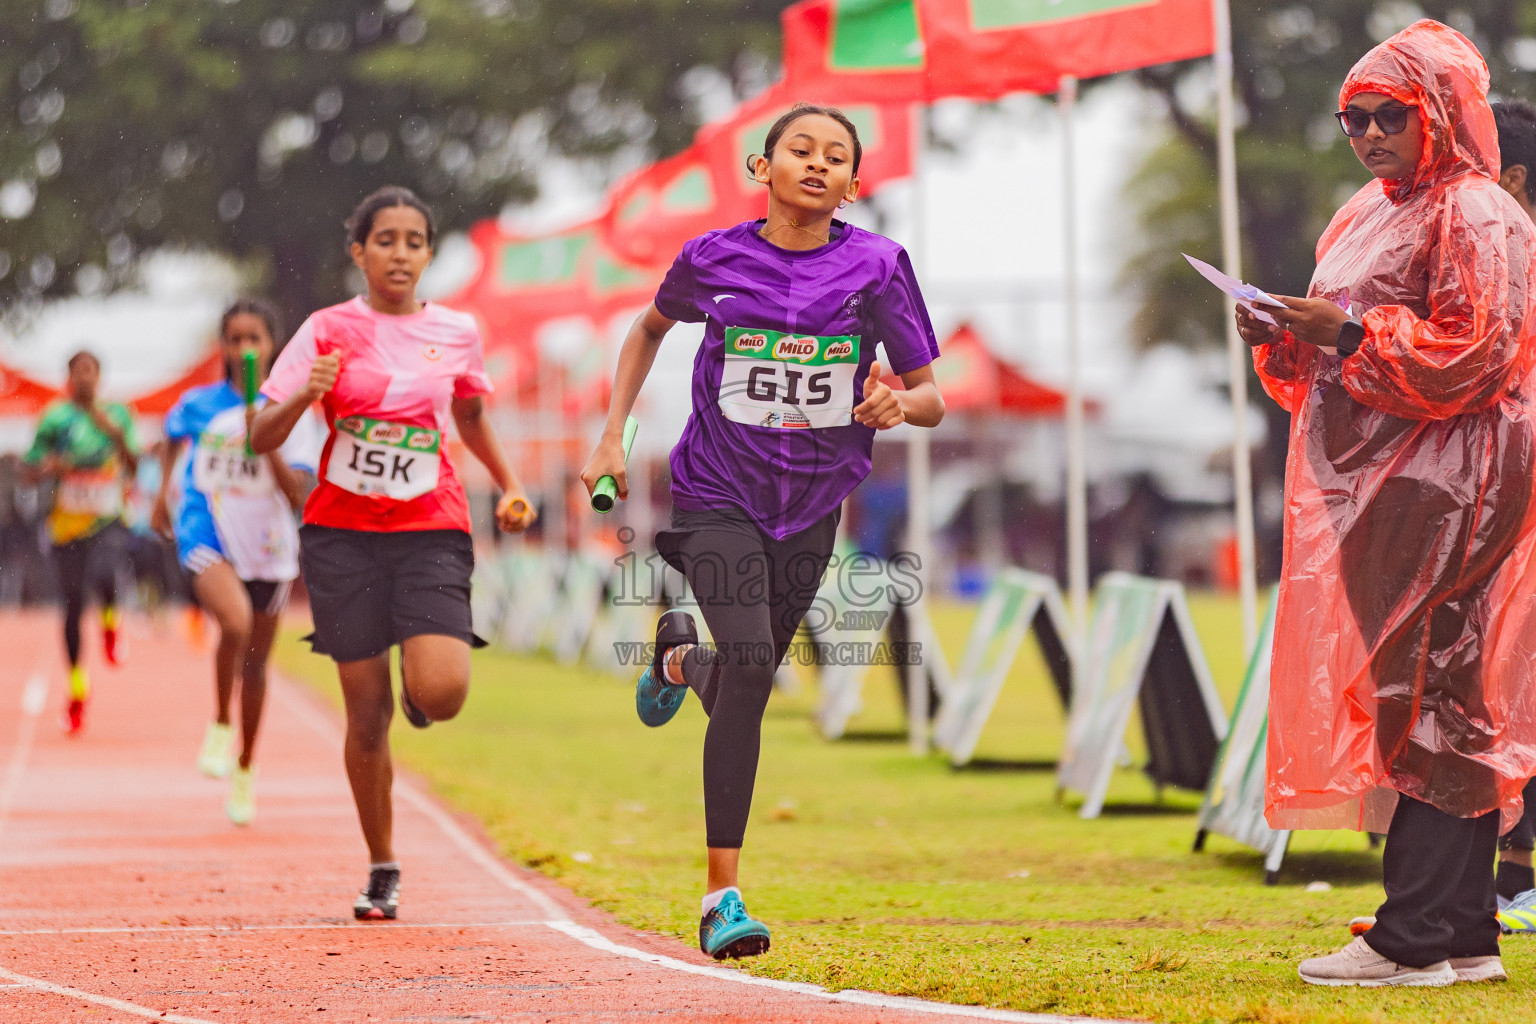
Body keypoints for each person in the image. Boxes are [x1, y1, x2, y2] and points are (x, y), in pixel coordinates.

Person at [580, 103, 944, 961]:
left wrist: (898, 402)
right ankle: (721, 896)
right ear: (763, 166)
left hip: (813, 504)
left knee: (747, 680)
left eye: (836, 158)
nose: (817, 165)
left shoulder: (879, 267)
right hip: (714, 493)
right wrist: (612, 432)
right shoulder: (713, 259)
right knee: (749, 666)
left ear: (854, 183)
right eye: (800, 150)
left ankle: (677, 658)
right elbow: (647, 332)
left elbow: (930, 395)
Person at [1238, 20, 1536, 987]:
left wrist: (1353, 331)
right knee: (1428, 702)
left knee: (1441, 700)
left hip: (1456, 491)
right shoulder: (1365, 211)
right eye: (1350, 118)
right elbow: (1330, 359)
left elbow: (1476, 354)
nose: (1366, 133)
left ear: (1442, 112)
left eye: (1387, 114)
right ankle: (1457, 932)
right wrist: (1287, 331)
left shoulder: (1479, 212)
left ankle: (1414, 936)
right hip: (1378, 494)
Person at [251, 186, 535, 920]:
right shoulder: (326, 329)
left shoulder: (458, 333)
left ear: (429, 253)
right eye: (385, 240)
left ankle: (422, 683)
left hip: (431, 526)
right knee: (365, 711)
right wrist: (301, 396)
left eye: (414, 240)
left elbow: (469, 414)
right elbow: (262, 436)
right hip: (343, 534)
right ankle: (382, 864)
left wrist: (507, 483)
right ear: (360, 252)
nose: (400, 253)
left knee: (441, 693)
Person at [152, 299, 323, 825]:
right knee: (235, 622)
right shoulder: (199, 403)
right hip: (208, 529)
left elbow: (297, 492)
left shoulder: (294, 408)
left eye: (255, 339)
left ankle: (245, 767)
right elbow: (171, 442)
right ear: (223, 345)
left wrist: (261, 431)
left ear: (272, 345)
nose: (244, 348)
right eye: (235, 339)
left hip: (268, 545)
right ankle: (220, 720)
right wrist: (162, 494)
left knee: (258, 664)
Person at [23, 350, 138, 735]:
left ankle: (110, 620)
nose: (85, 378)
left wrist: (113, 431)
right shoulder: (55, 418)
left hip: (107, 519)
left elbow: (135, 464)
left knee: (106, 573)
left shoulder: (118, 415)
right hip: (67, 526)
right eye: (78, 372)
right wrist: (47, 467)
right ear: (69, 376)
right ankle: (77, 690)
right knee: (72, 607)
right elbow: (28, 471)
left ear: (100, 376)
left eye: (91, 371)